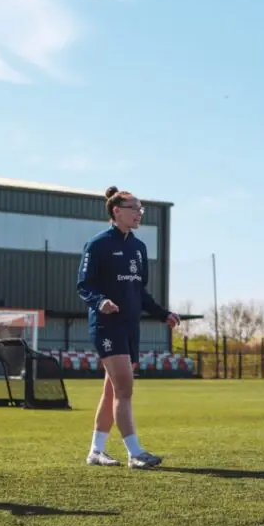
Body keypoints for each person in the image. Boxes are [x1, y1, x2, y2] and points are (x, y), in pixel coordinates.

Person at [77, 186, 180, 469]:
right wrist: (101, 302)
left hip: (130, 327)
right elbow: (84, 285)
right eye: (133, 208)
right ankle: (135, 453)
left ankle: (96, 451)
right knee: (125, 389)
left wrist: (163, 314)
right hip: (107, 326)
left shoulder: (138, 247)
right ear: (116, 211)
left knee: (112, 391)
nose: (139, 213)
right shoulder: (97, 245)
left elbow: (140, 292)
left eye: (140, 209)